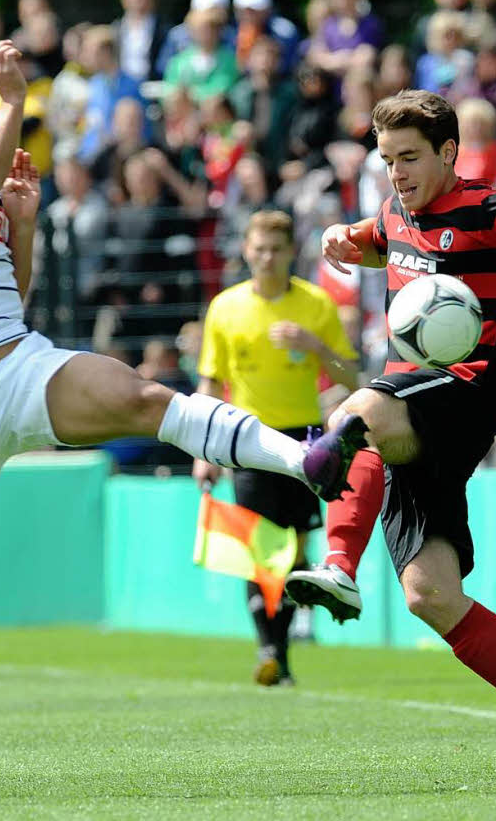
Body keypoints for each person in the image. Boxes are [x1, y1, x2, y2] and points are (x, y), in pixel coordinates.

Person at [0, 43, 368, 799]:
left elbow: (8, 295)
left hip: (15, 366)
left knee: (139, 396)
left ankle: (303, 457)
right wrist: (12, 103)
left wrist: (20, 222)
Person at [282, 89, 496, 786]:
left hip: (465, 393)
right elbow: (385, 243)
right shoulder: (394, 210)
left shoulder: (494, 212)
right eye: (386, 160)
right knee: (431, 595)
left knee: (354, 416)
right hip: (413, 411)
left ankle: (339, 567)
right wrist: (345, 238)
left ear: (448, 152)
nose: (396, 172)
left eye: (409, 157)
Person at [194, 210, 359, 685]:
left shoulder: (315, 305)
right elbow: (210, 381)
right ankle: (270, 648)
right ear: (246, 251)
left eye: (276, 250)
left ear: (290, 254)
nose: (266, 258)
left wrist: (314, 346)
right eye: (259, 249)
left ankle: (281, 650)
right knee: (259, 551)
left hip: (304, 441)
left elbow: (352, 375)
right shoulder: (226, 308)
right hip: (245, 439)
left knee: (296, 552)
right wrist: (201, 450)